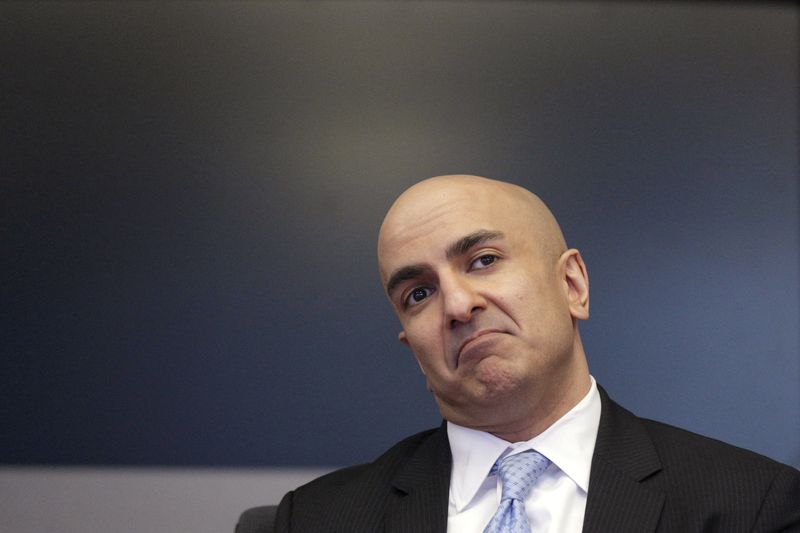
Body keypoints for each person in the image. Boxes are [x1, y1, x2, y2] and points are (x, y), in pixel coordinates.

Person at [271, 175, 800, 532]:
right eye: (418, 293)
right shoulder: (315, 519)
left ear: (572, 284)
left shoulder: (751, 506)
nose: (457, 304)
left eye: (483, 260)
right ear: (412, 346)